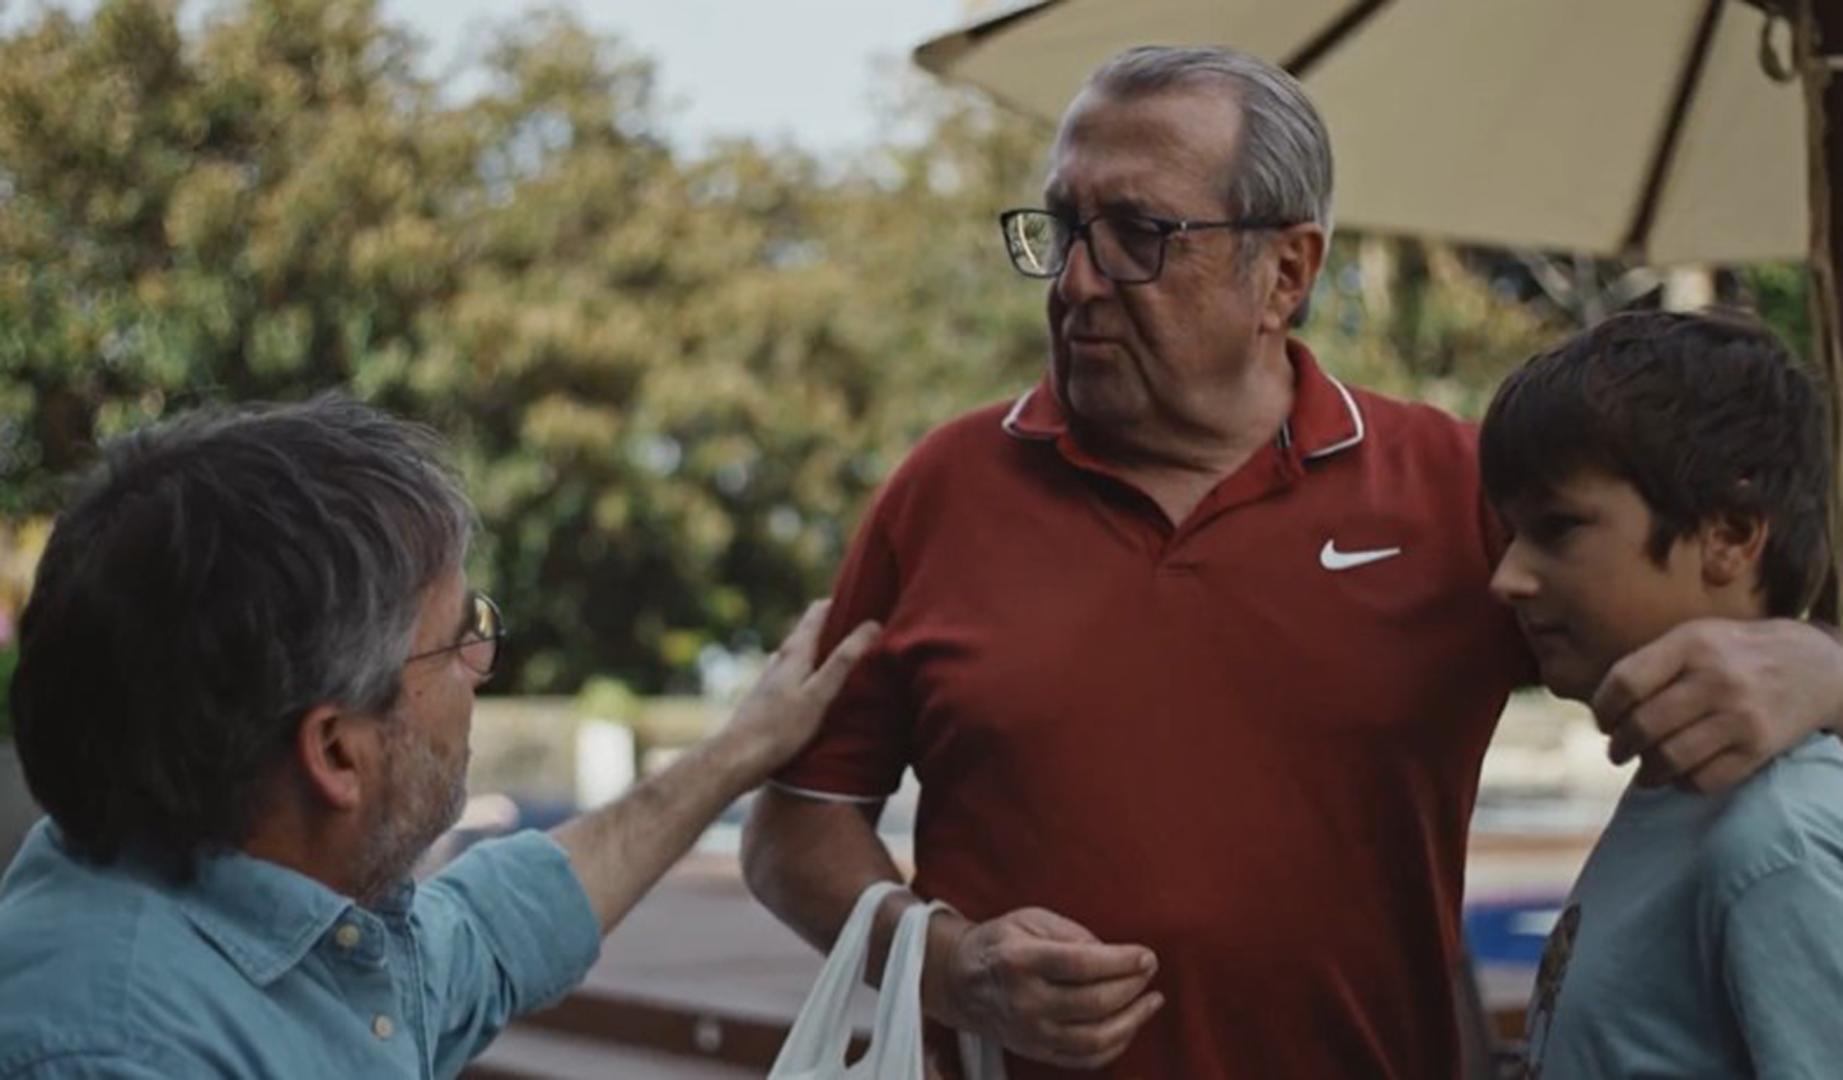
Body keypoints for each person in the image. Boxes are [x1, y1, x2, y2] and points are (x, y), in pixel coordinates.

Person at [740, 45, 1843, 1079]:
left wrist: (1823, 670)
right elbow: (791, 827)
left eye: (1135, 233)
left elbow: (1689, 594)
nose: (1074, 282)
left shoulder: (1454, 492)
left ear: (1285, 272)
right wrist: (950, 967)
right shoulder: (944, 489)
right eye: (1062, 228)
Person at [0, 396, 878, 1079]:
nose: (482, 665)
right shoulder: (113, 1050)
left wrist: (737, 753)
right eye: (462, 636)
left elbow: (499, 928)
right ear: (337, 753)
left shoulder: (275, 925)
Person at [1482, 310, 1843, 1077]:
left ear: (1730, 536)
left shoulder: (1773, 842)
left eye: (1558, 528)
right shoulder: (1683, 794)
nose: (1506, 576)